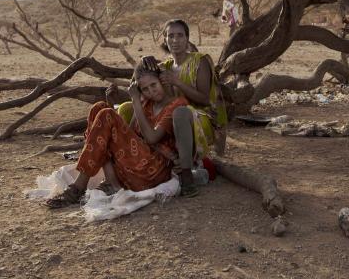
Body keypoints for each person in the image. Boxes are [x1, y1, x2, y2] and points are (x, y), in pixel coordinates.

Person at [45, 63, 187, 209]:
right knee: (99, 108)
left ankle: (78, 187)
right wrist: (112, 104)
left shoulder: (175, 104)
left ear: (162, 81)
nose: (151, 91)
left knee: (107, 114)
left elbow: (151, 138)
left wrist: (136, 102)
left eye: (154, 85)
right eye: (145, 89)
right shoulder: (147, 103)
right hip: (136, 162)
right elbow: (130, 134)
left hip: (155, 169)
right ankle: (111, 182)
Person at [143, 19, 228, 197]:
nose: (175, 40)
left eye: (180, 35)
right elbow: (146, 89)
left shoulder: (200, 61)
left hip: (201, 119)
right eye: (170, 36)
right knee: (128, 108)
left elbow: (205, 99)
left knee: (181, 111)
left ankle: (187, 176)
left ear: (187, 38)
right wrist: (143, 62)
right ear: (165, 40)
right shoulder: (164, 67)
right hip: (172, 119)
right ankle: (129, 163)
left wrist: (176, 82)